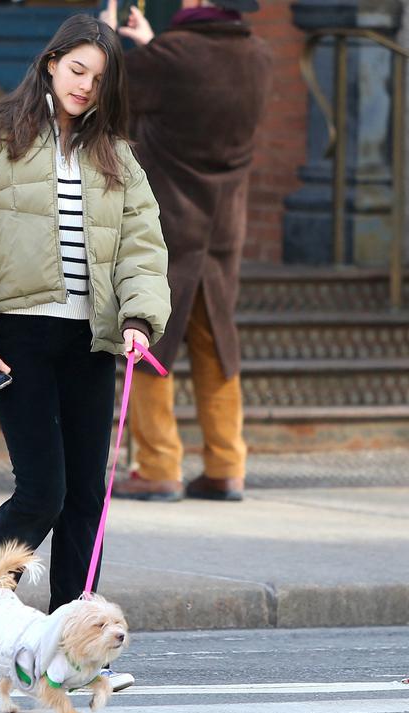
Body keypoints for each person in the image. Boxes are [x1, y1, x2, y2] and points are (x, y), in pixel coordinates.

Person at [0, 13, 170, 691]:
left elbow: (142, 249)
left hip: (89, 341)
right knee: (43, 490)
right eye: (76, 70)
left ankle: (78, 649)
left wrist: (138, 317)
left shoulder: (116, 156)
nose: (85, 87)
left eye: (99, 79)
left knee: (87, 498)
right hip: (19, 339)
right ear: (50, 62)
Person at [100, 0, 272, 503]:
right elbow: (197, 93)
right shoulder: (259, 56)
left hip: (168, 223)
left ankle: (157, 466)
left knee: (149, 338)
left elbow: (108, 95)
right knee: (216, 339)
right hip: (225, 226)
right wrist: (153, 45)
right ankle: (227, 465)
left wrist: (109, 40)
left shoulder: (173, 56)